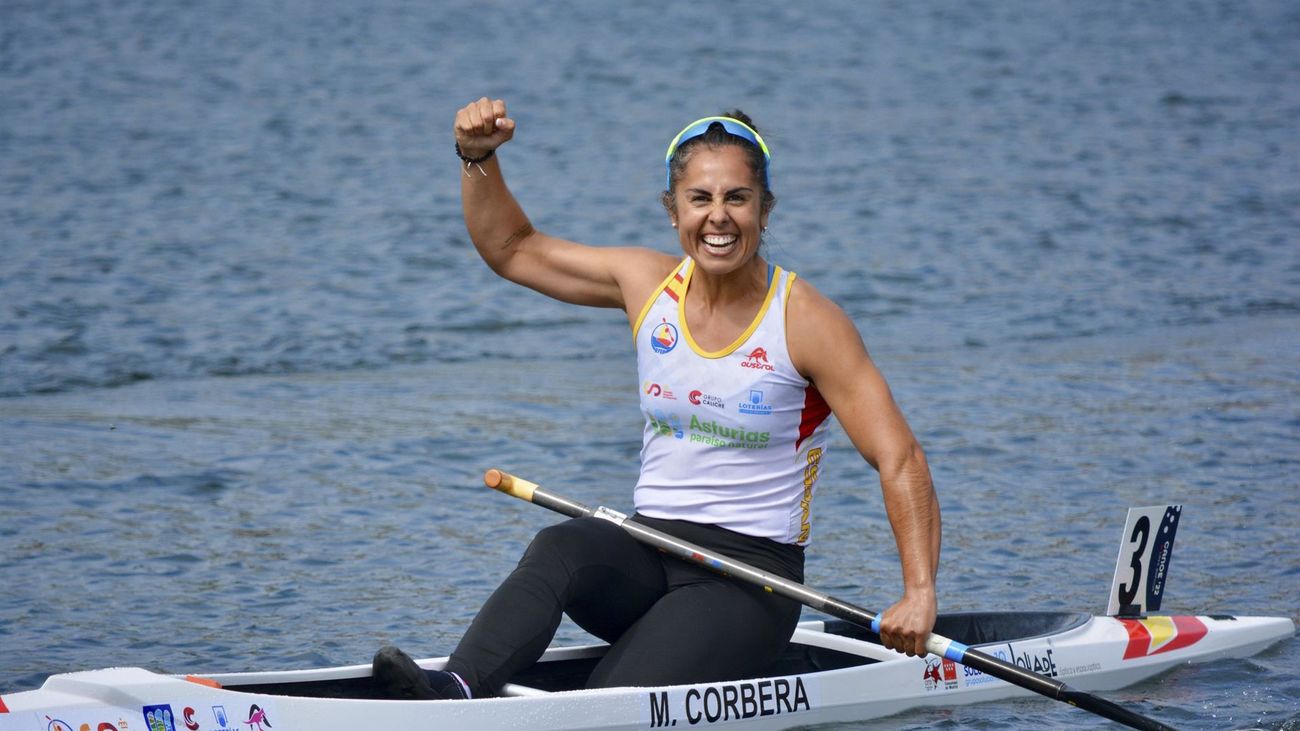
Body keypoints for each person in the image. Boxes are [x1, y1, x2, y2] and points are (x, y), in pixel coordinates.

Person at [372, 97, 941, 700]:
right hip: (648, 549)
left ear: (765, 210)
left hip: (749, 581)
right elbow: (512, 248)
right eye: (700, 199)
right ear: (674, 212)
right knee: (560, 546)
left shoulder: (807, 321)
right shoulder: (647, 285)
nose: (717, 218)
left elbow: (899, 458)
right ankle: (458, 689)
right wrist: (476, 157)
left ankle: (622, 688)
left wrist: (919, 593)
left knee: (615, 697)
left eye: (736, 198)